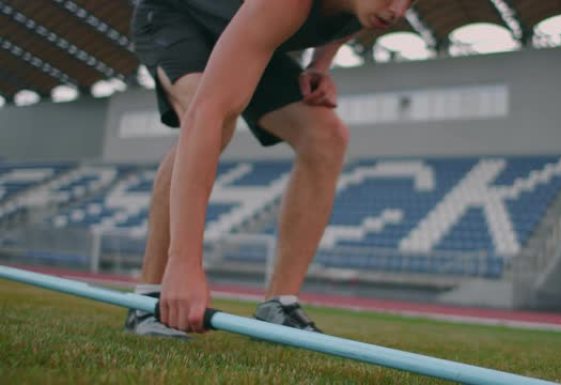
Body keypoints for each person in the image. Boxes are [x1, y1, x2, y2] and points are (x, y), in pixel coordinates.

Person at [124, 0, 414, 338]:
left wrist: (321, 63)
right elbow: (208, 112)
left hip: (251, 33)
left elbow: (347, 23)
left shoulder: (374, 8)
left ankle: (278, 305)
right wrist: (185, 264)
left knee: (326, 135)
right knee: (209, 118)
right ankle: (148, 298)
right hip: (177, 17)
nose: (398, 10)